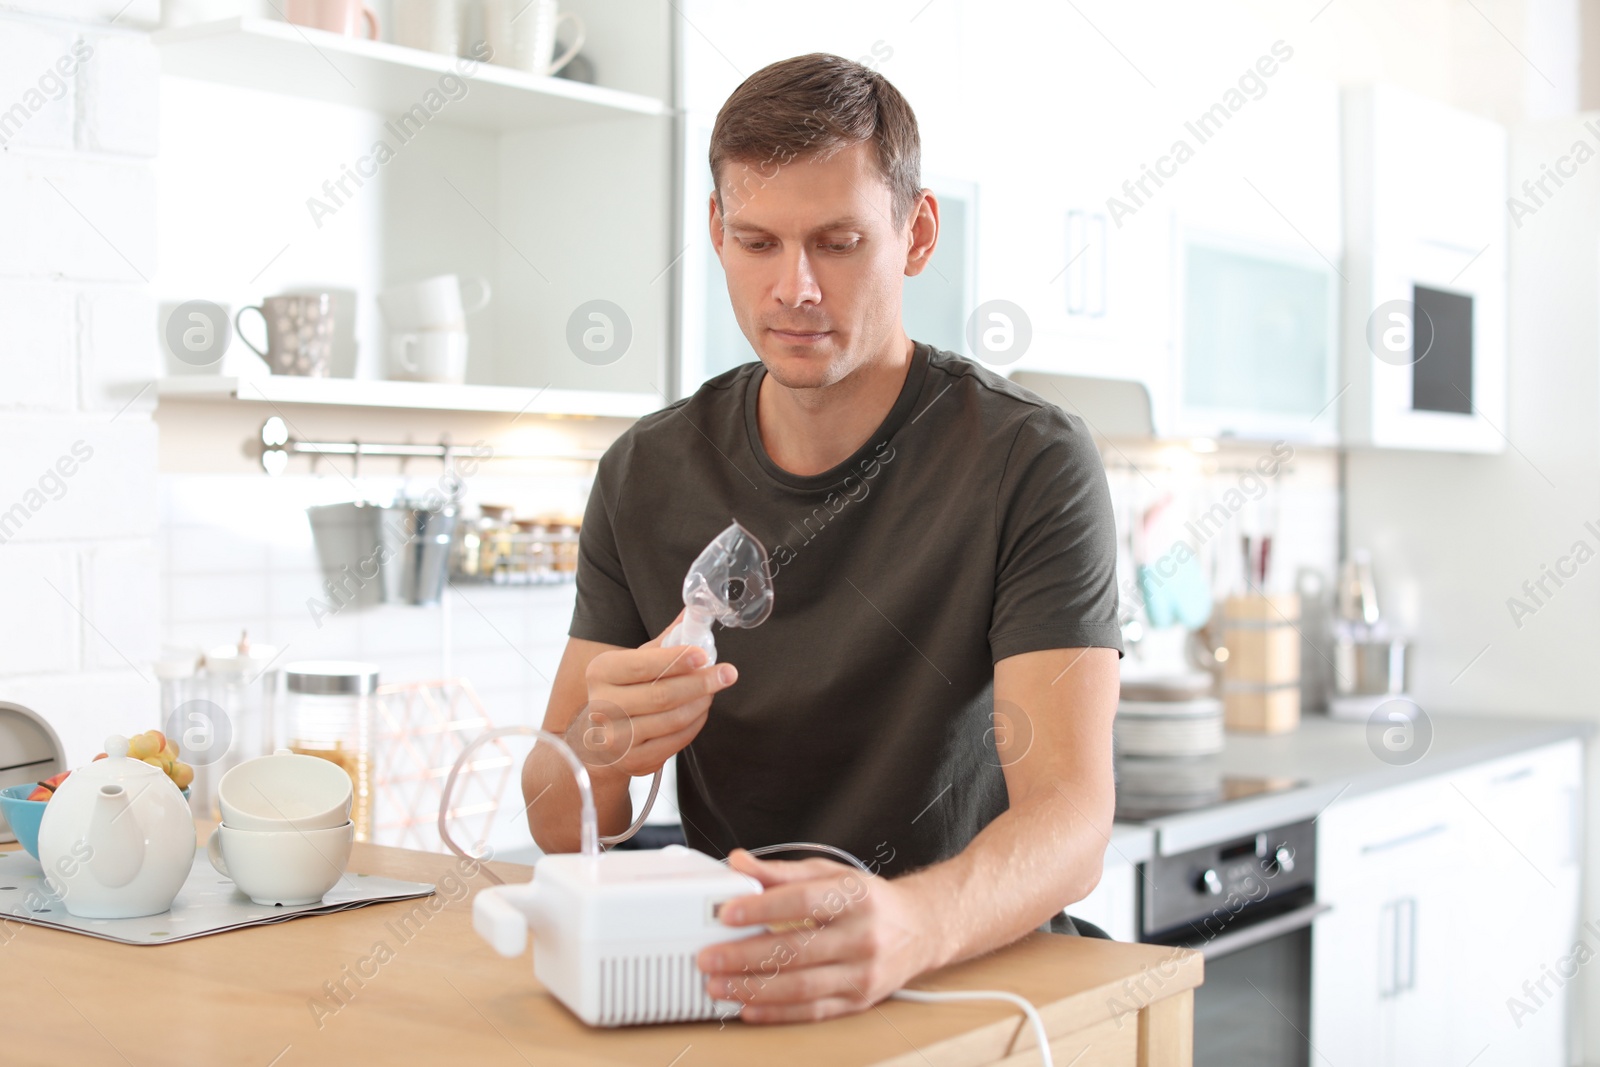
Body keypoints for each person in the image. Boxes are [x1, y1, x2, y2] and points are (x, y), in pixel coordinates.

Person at [520, 51, 1122, 1024]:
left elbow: (1072, 821)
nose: (793, 286)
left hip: (970, 979)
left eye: (837, 242)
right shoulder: (646, 472)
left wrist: (911, 923)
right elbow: (559, 816)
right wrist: (606, 742)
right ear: (715, 231)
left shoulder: (1027, 462)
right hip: (745, 984)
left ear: (915, 233)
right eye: (756, 241)